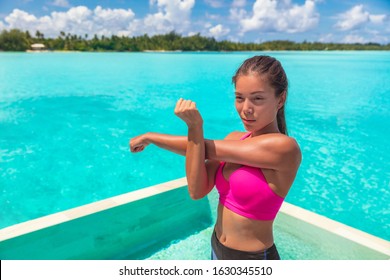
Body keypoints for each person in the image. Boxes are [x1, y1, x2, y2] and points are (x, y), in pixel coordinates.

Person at [129, 55, 301, 260]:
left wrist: (159, 135)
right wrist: (192, 131)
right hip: (217, 247)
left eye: (257, 98)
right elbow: (196, 190)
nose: (246, 108)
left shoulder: (284, 148)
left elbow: (205, 148)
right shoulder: (234, 139)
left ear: (280, 99)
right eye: (239, 98)